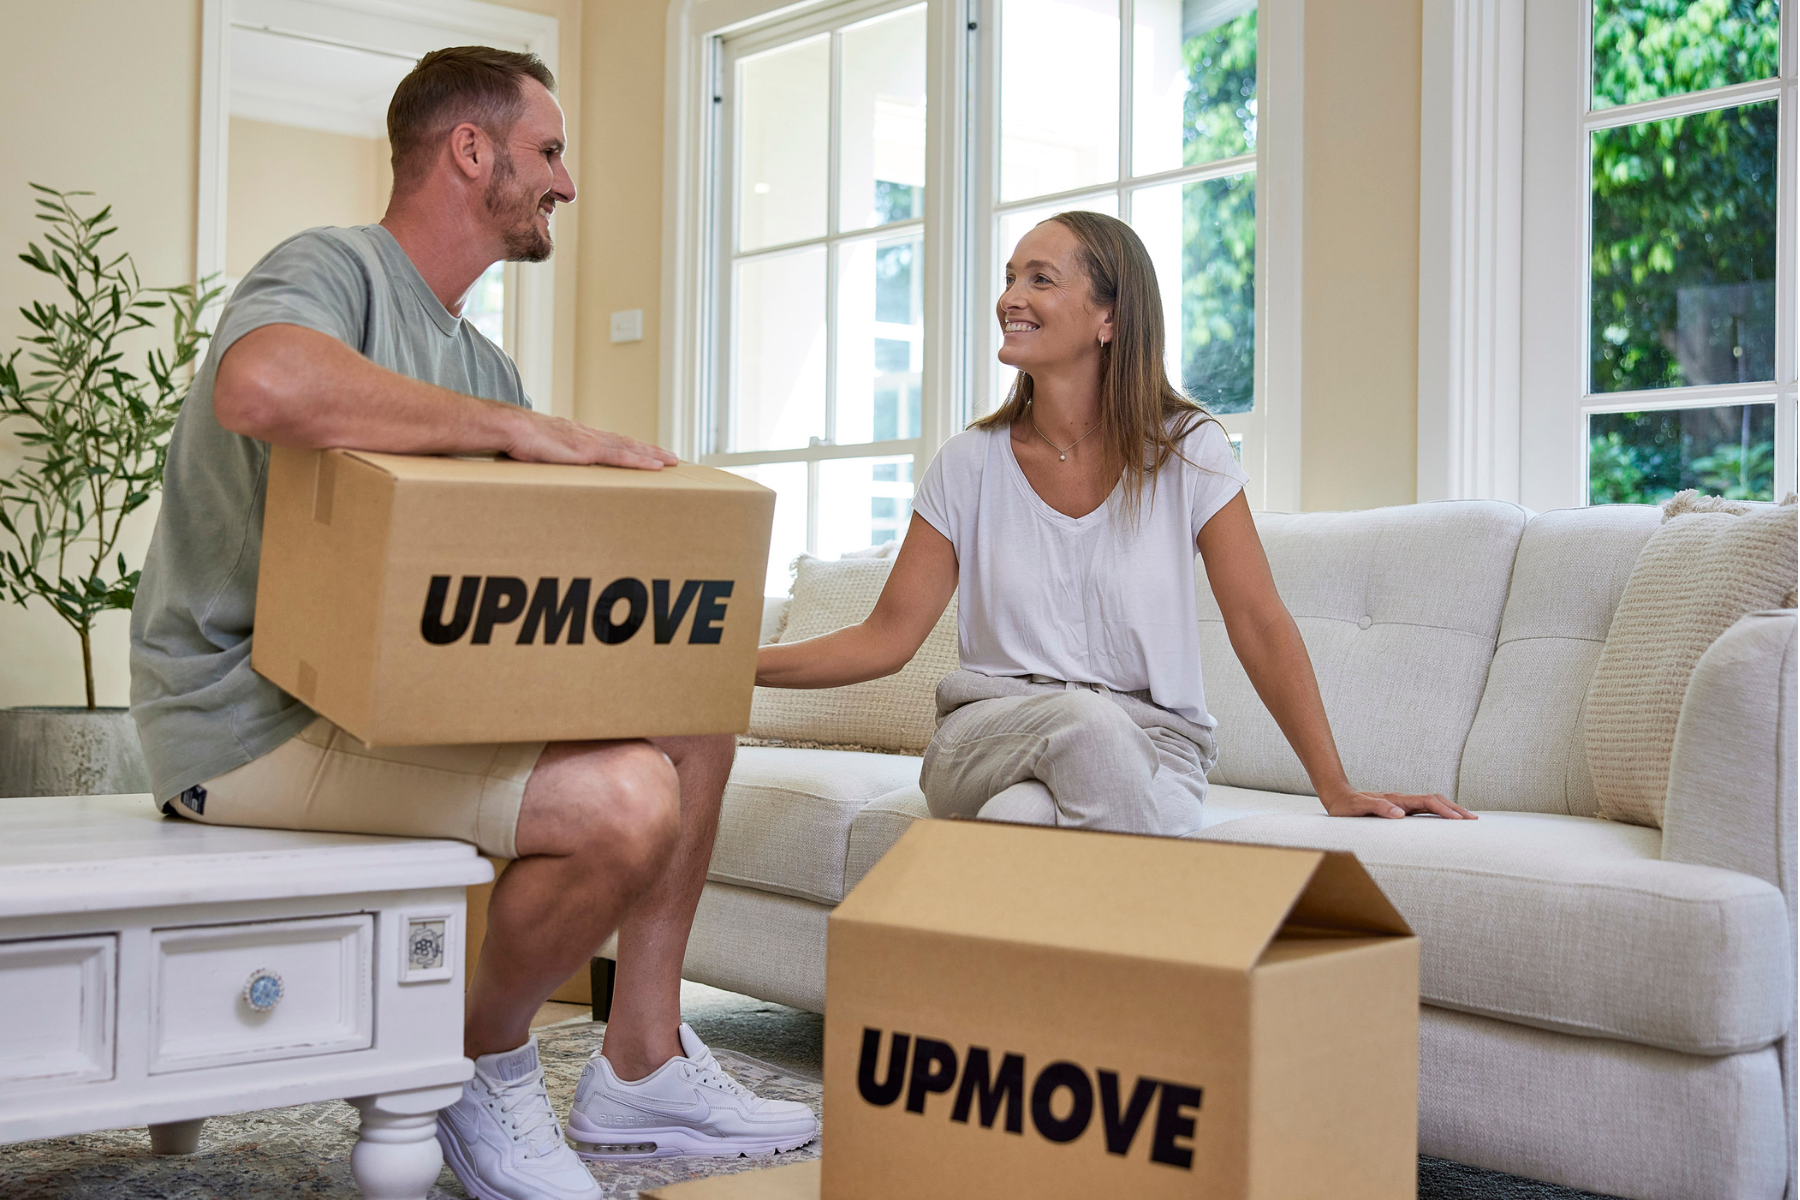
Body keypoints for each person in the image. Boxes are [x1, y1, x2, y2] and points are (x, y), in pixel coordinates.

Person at [129, 46, 816, 1200]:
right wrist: (520, 433)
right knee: (622, 801)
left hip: (378, 709)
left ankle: (641, 1065)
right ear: (469, 150)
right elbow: (261, 387)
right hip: (244, 719)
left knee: (692, 713)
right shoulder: (332, 269)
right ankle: (470, 1067)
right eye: (548, 151)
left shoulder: (478, 358)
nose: (566, 181)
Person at [756, 211, 1477, 833]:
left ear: (1110, 318)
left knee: (1023, 822)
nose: (1011, 297)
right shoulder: (968, 464)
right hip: (986, 736)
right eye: (1011, 277)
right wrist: (733, 668)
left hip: (1157, 747)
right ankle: (1178, 974)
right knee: (1083, 725)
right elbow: (886, 638)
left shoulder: (1188, 451)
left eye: (1041, 279)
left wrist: (1335, 786)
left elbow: (1258, 620)